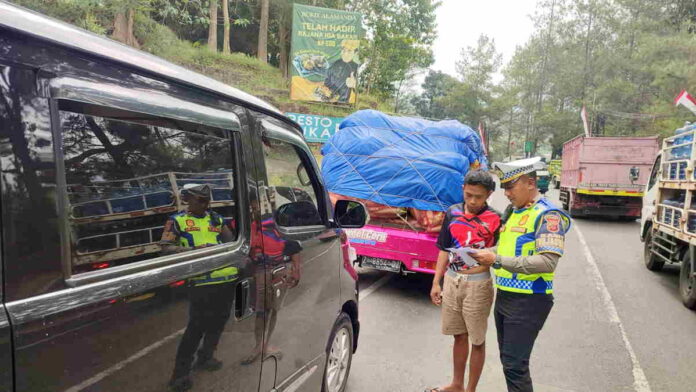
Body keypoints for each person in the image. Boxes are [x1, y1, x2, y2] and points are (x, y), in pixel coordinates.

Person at [470, 157, 571, 392]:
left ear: (530, 183)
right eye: (504, 187)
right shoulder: (515, 212)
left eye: (510, 186)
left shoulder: (549, 215)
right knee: (509, 362)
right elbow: (507, 248)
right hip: (505, 295)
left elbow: (548, 261)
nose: (506, 193)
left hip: (529, 300)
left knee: (516, 365)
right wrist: (486, 252)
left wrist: (497, 260)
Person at [427, 170, 502, 392]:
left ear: (489, 194)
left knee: (477, 340)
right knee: (459, 335)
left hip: (478, 285)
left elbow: (500, 253)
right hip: (452, 281)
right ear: (463, 189)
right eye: (468, 195)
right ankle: (457, 385)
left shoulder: (497, 218)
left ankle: (471, 390)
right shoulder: (452, 213)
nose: (472, 201)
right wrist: (436, 282)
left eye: (478, 196)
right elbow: (443, 250)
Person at [163, 184, 238, 392]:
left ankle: (206, 357)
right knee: (195, 328)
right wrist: (196, 251)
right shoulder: (176, 221)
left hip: (225, 278)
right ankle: (179, 375)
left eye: (207, 200)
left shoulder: (216, 219)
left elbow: (231, 243)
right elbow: (165, 249)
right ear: (189, 199)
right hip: (201, 282)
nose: (205, 204)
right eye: (201, 200)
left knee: (219, 322)